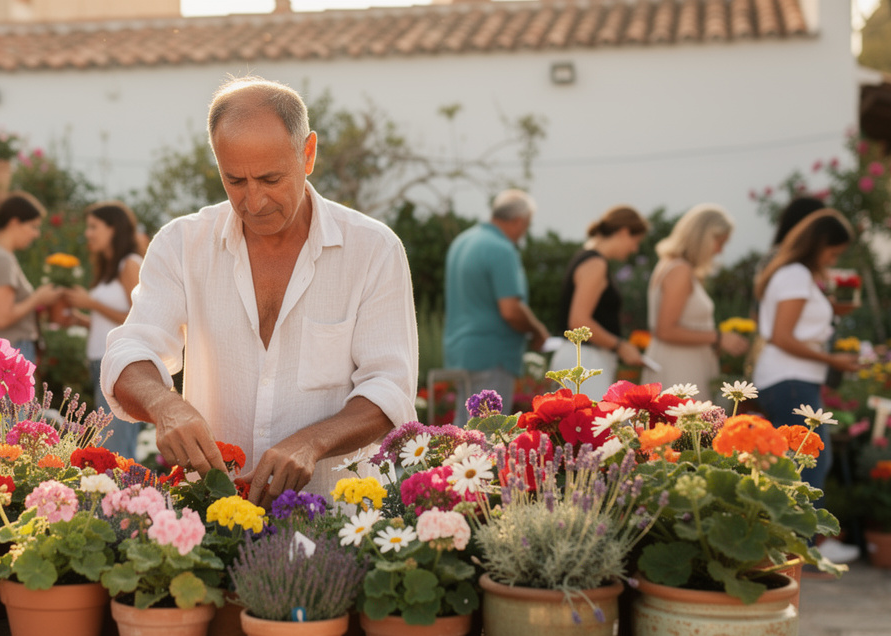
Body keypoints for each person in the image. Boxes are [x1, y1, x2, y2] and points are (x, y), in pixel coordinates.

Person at [101, 75, 418, 505]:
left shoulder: (373, 250)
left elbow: (390, 387)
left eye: (270, 179)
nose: (253, 201)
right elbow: (129, 351)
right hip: (214, 521)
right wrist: (165, 405)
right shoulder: (181, 244)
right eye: (235, 181)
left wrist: (313, 442)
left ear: (307, 154)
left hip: (341, 523)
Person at [752, 208, 861, 492]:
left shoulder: (794, 274)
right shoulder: (795, 275)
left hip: (791, 380)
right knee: (805, 472)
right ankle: (802, 537)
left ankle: (800, 535)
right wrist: (831, 359)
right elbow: (782, 336)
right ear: (818, 245)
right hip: (789, 380)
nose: (832, 261)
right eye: (833, 253)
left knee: (804, 466)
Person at [442, 189, 549, 424]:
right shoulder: (501, 248)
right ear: (519, 220)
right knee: (488, 435)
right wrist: (537, 330)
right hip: (492, 354)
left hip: (460, 351)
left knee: (465, 432)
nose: (524, 232)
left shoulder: (463, 241)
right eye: (527, 224)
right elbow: (510, 309)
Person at [64, 201, 146, 460]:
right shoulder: (109, 268)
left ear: (114, 229)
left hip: (118, 365)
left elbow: (140, 318)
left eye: (93, 227)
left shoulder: (129, 264)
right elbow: (113, 322)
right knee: (110, 445)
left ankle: (126, 499)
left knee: (116, 449)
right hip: (101, 363)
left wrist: (92, 304)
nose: (88, 233)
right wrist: (84, 320)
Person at [642, 204, 748, 400]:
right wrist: (718, 337)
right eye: (720, 242)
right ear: (704, 237)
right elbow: (666, 330)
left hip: (682, 364)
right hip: (679, 369)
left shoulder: (676, 267)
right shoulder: (679, 270)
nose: (719, 251)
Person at [549, 205, 650, 400]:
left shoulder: (588, 258)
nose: (634, 248)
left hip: (582, 359)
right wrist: (621, 346)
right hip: (584, 360)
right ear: (623, 232)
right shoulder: (595, 263)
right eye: (635, 241)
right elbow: (578, 321)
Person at [0, 192, 60, 364]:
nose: (36, 234)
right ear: (14, 222)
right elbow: (2, 318)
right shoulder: (2, 259)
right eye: (33, 226)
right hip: (8, 354)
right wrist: (37, 298)